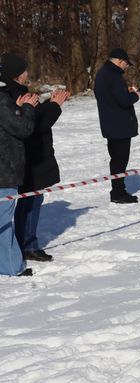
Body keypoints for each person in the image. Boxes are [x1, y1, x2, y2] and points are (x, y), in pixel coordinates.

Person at [0, 53, 69, 263]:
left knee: (26, 202)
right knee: (30, 201)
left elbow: (32, 115)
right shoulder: (13, 93)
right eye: (25, 69)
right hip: (29, 158)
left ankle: (22, 245)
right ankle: (27, 245)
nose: (27, 73)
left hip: (23, 158)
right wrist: (55, 105)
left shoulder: (12, 92)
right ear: (19, 74)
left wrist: (48, 103)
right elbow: (34, 125)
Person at [0, 55, 38, 276]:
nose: (27, 74)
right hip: (4, 172)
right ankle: (11, 268)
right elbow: (23, 128)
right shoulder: (2, 100)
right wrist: (27, 108)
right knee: (3, 222)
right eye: (24, 70)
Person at [94, 48, 140, 204]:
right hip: (120, 126)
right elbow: (123, 101)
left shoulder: (102, 74)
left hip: (109, 124)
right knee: (120, 161)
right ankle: (118, 193)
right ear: (120, 61)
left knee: (116, 160)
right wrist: (135, 95)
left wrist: (124, 93)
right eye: (126, 64)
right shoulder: (115, 76)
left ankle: (117, 191)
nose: (126, 67)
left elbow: (112, 96)